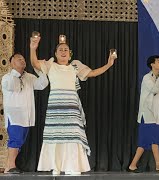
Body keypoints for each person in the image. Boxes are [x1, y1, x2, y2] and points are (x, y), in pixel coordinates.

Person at [29, 35, 117, 175]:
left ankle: (73, 166)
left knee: (72, 136)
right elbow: (35, 64)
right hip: (55, 106)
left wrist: (109, 64)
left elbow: (92, 73)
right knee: (56, 136)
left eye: (66, 50)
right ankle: (56, 167)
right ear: (56, 54)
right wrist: (33, 48)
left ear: (70, 54)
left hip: (71, 106)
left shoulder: (75, 66)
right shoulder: (51, 65)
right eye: (60, 50)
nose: (63, 51)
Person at [2, 53, 48, 174]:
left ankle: (7, 167)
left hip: (27, 116)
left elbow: (42, 84)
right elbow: (12, 86)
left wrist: (40, 69)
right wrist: (16, 73)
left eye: (23, 59)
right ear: (12, 63)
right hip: (14, 115)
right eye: (18, 59)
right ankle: (11, 166)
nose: (22, 60)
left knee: (19, 142)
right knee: (15, 140)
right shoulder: (7, 77)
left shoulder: (29, 77)